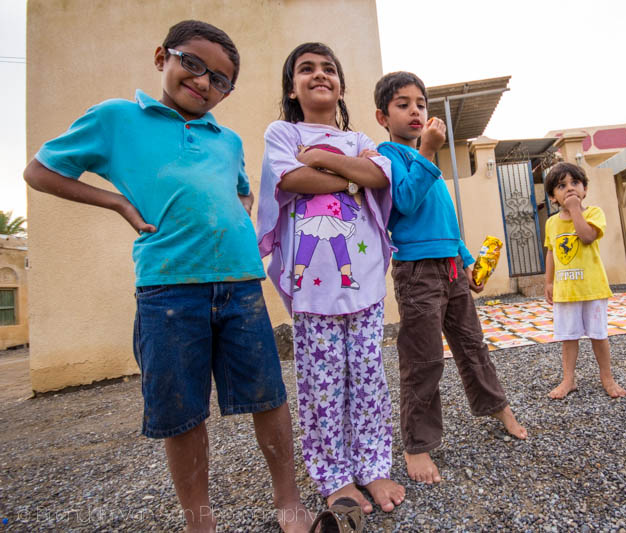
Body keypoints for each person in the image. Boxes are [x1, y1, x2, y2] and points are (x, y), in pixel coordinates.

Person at [23, 20, 312, 533]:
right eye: (194, 65)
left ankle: (288, 501)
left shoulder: (227, 140)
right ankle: (199, 521)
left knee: (269, 396)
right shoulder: (117, 119)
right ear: (163, 57)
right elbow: (40, 171)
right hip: (168, 289)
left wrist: (234, 215)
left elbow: (243, 191)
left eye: (220, 79)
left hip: (242, 285)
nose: (203, 82)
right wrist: (116, 201)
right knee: (184, 412)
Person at [256, 42, 404, 515]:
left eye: (328, 69)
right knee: (321, 385)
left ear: (340, 86)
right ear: (292, 85)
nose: (319, 75)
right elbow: (290, 181)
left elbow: (378, 178)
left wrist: (324, 160)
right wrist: (351, 178)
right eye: (306, 69)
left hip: (361, 282)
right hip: (312, 288)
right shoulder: (282, 132)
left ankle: (375, 465)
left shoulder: (360, 139)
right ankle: (334, 475)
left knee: (367, 377)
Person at [373, 71, 527, 485]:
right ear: (382, 116)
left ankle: (498, 406)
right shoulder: (386, 157)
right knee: (423, 358)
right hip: (417, 272)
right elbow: (402, 202)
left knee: (472, 344)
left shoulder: (429, 164)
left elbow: (446, 223)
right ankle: (416, 444)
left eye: (421, 104)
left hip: (451, 267)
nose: (415, 111)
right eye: (403, 104)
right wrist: (427, 151)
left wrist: (467, 259)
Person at [543, 162, 626, 400]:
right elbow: (551, 252)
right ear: (553, 197)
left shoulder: (593, 214)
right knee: (568, 337)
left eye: (575, 183)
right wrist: (549, 283)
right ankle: (568, 379)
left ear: (585, 189)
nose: (569, 189)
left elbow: (587, 237)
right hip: (566, 290)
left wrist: (575, 210)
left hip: (592, 288)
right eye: (561, 186)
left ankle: (607, 377)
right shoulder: (551, 223)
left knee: (598, 335)